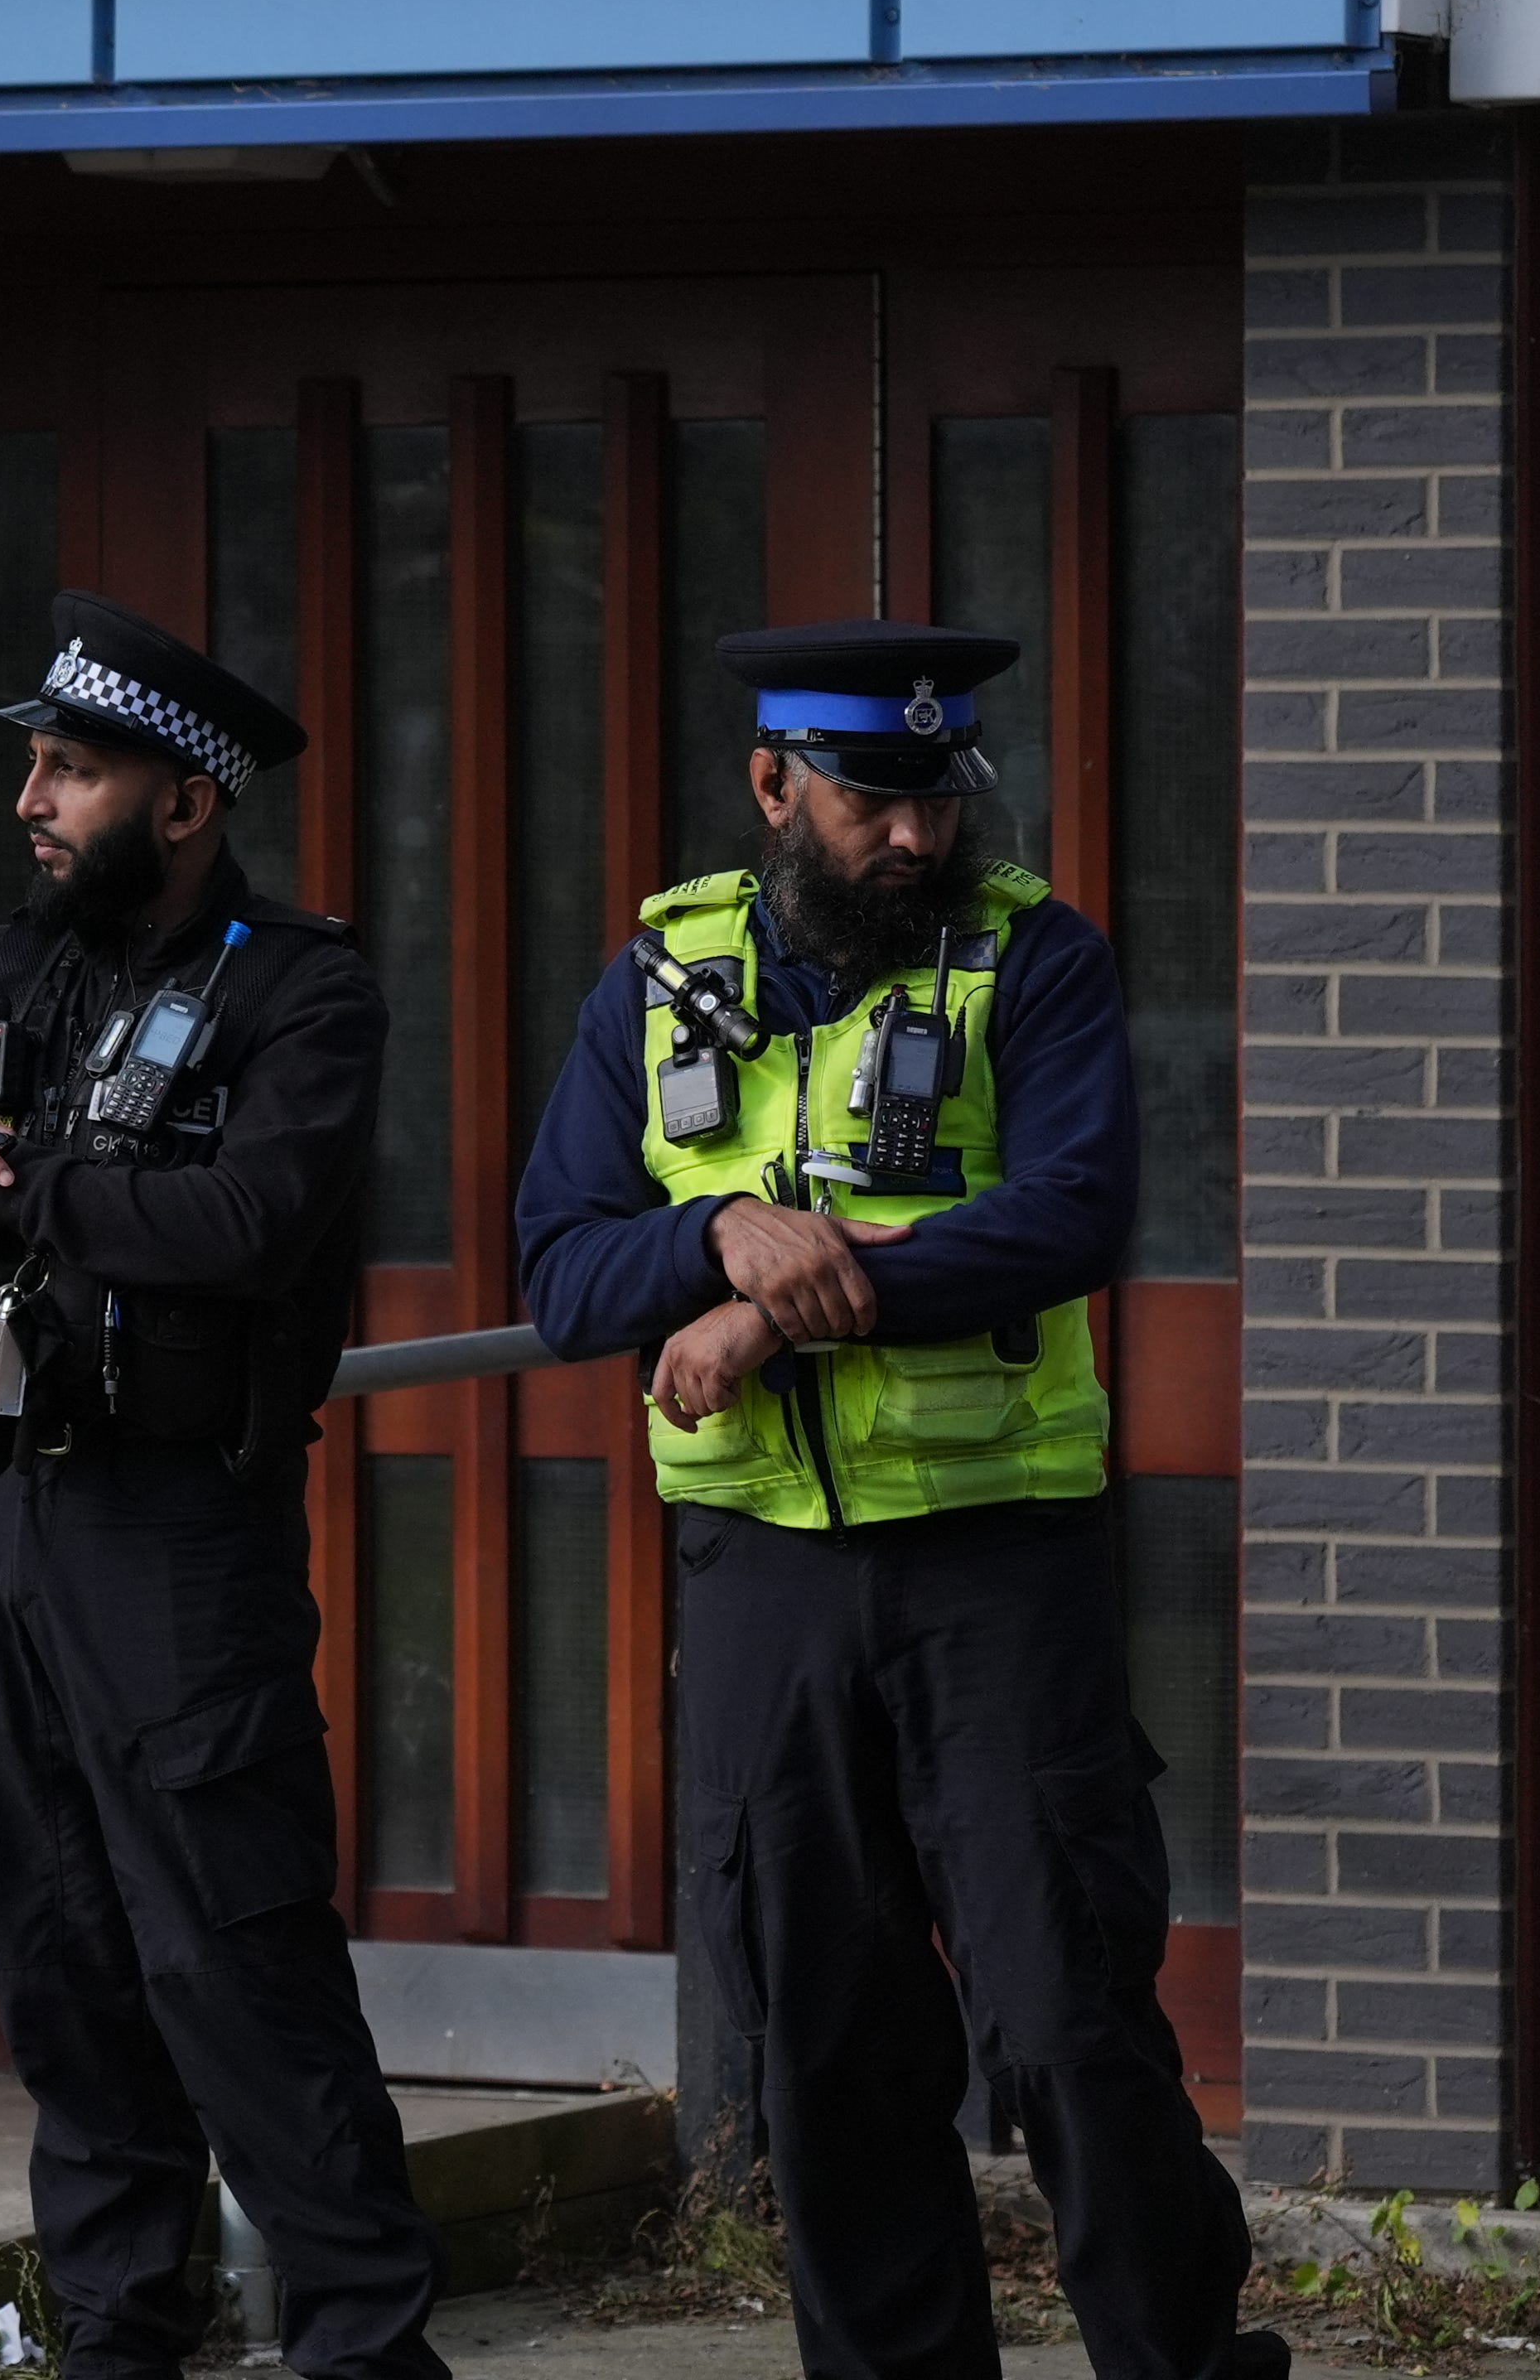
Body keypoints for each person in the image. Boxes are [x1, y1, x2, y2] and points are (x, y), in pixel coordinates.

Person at [514, 621, 1282, 2380]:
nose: (921, 840)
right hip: (763, 1579)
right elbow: (559, 1263)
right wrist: (713, 1228)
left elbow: (1070, 1214)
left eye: (943, 797)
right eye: (875, 801)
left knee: (1068, 2016)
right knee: (832, 2044)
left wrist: (767, 1291)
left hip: (997, 1570)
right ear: (775, 784)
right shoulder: (653, 979)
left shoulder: (1039, 958)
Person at [0, 592, 448, 2380]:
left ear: (185, 801)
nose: (31, 797)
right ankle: (115, 2340)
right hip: (2, 1510)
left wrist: (7, 1184)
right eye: (34, 761)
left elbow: (243, 1224)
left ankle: (368, 2349)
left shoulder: (302, 987)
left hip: (178, 1536)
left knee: (235, 1969)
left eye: (72, 769)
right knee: (63, 1968)